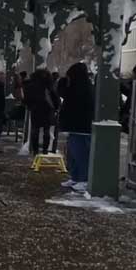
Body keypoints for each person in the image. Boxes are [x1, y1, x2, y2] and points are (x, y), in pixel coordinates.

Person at [59, 63, 94, 192]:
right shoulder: (81, 86)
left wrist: (63, 84)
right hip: (76, 126)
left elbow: (67, 97)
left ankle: (83, 179)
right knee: (73, 154)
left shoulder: (81, 88)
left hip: (80, 127)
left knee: (80, 154)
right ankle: (76, 177)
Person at [24, 70, 60, 155]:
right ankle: (45, 150)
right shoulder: (48, 85)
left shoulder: (31, 85)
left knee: (35, 130)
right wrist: (56, 107)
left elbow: (26, 99)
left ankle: (35, 150)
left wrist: (30, 106)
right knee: (46, 131)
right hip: (47, 110)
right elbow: (55, 98)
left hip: (35, 110)